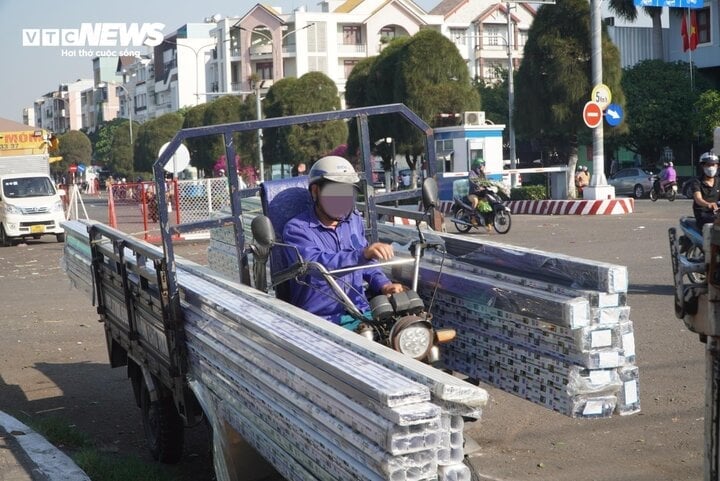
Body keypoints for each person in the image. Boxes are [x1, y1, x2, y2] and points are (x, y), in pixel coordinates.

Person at [282, 156, 404, 329]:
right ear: (315, 191)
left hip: (361, 312)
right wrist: (362, 254)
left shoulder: (353, 221)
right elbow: (317, 265)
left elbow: (367, 264)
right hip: (321, 320)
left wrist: (384, 285)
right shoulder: (296, 229)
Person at [690, 152, 720, 227]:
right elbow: (698, 198)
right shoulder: (697, 182)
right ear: (702, 166)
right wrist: (708, 204)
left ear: (717, 166)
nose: (711, 167)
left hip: (717, 213)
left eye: (713, 165)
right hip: (703, 214)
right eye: (708, 165)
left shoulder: (718, 181)